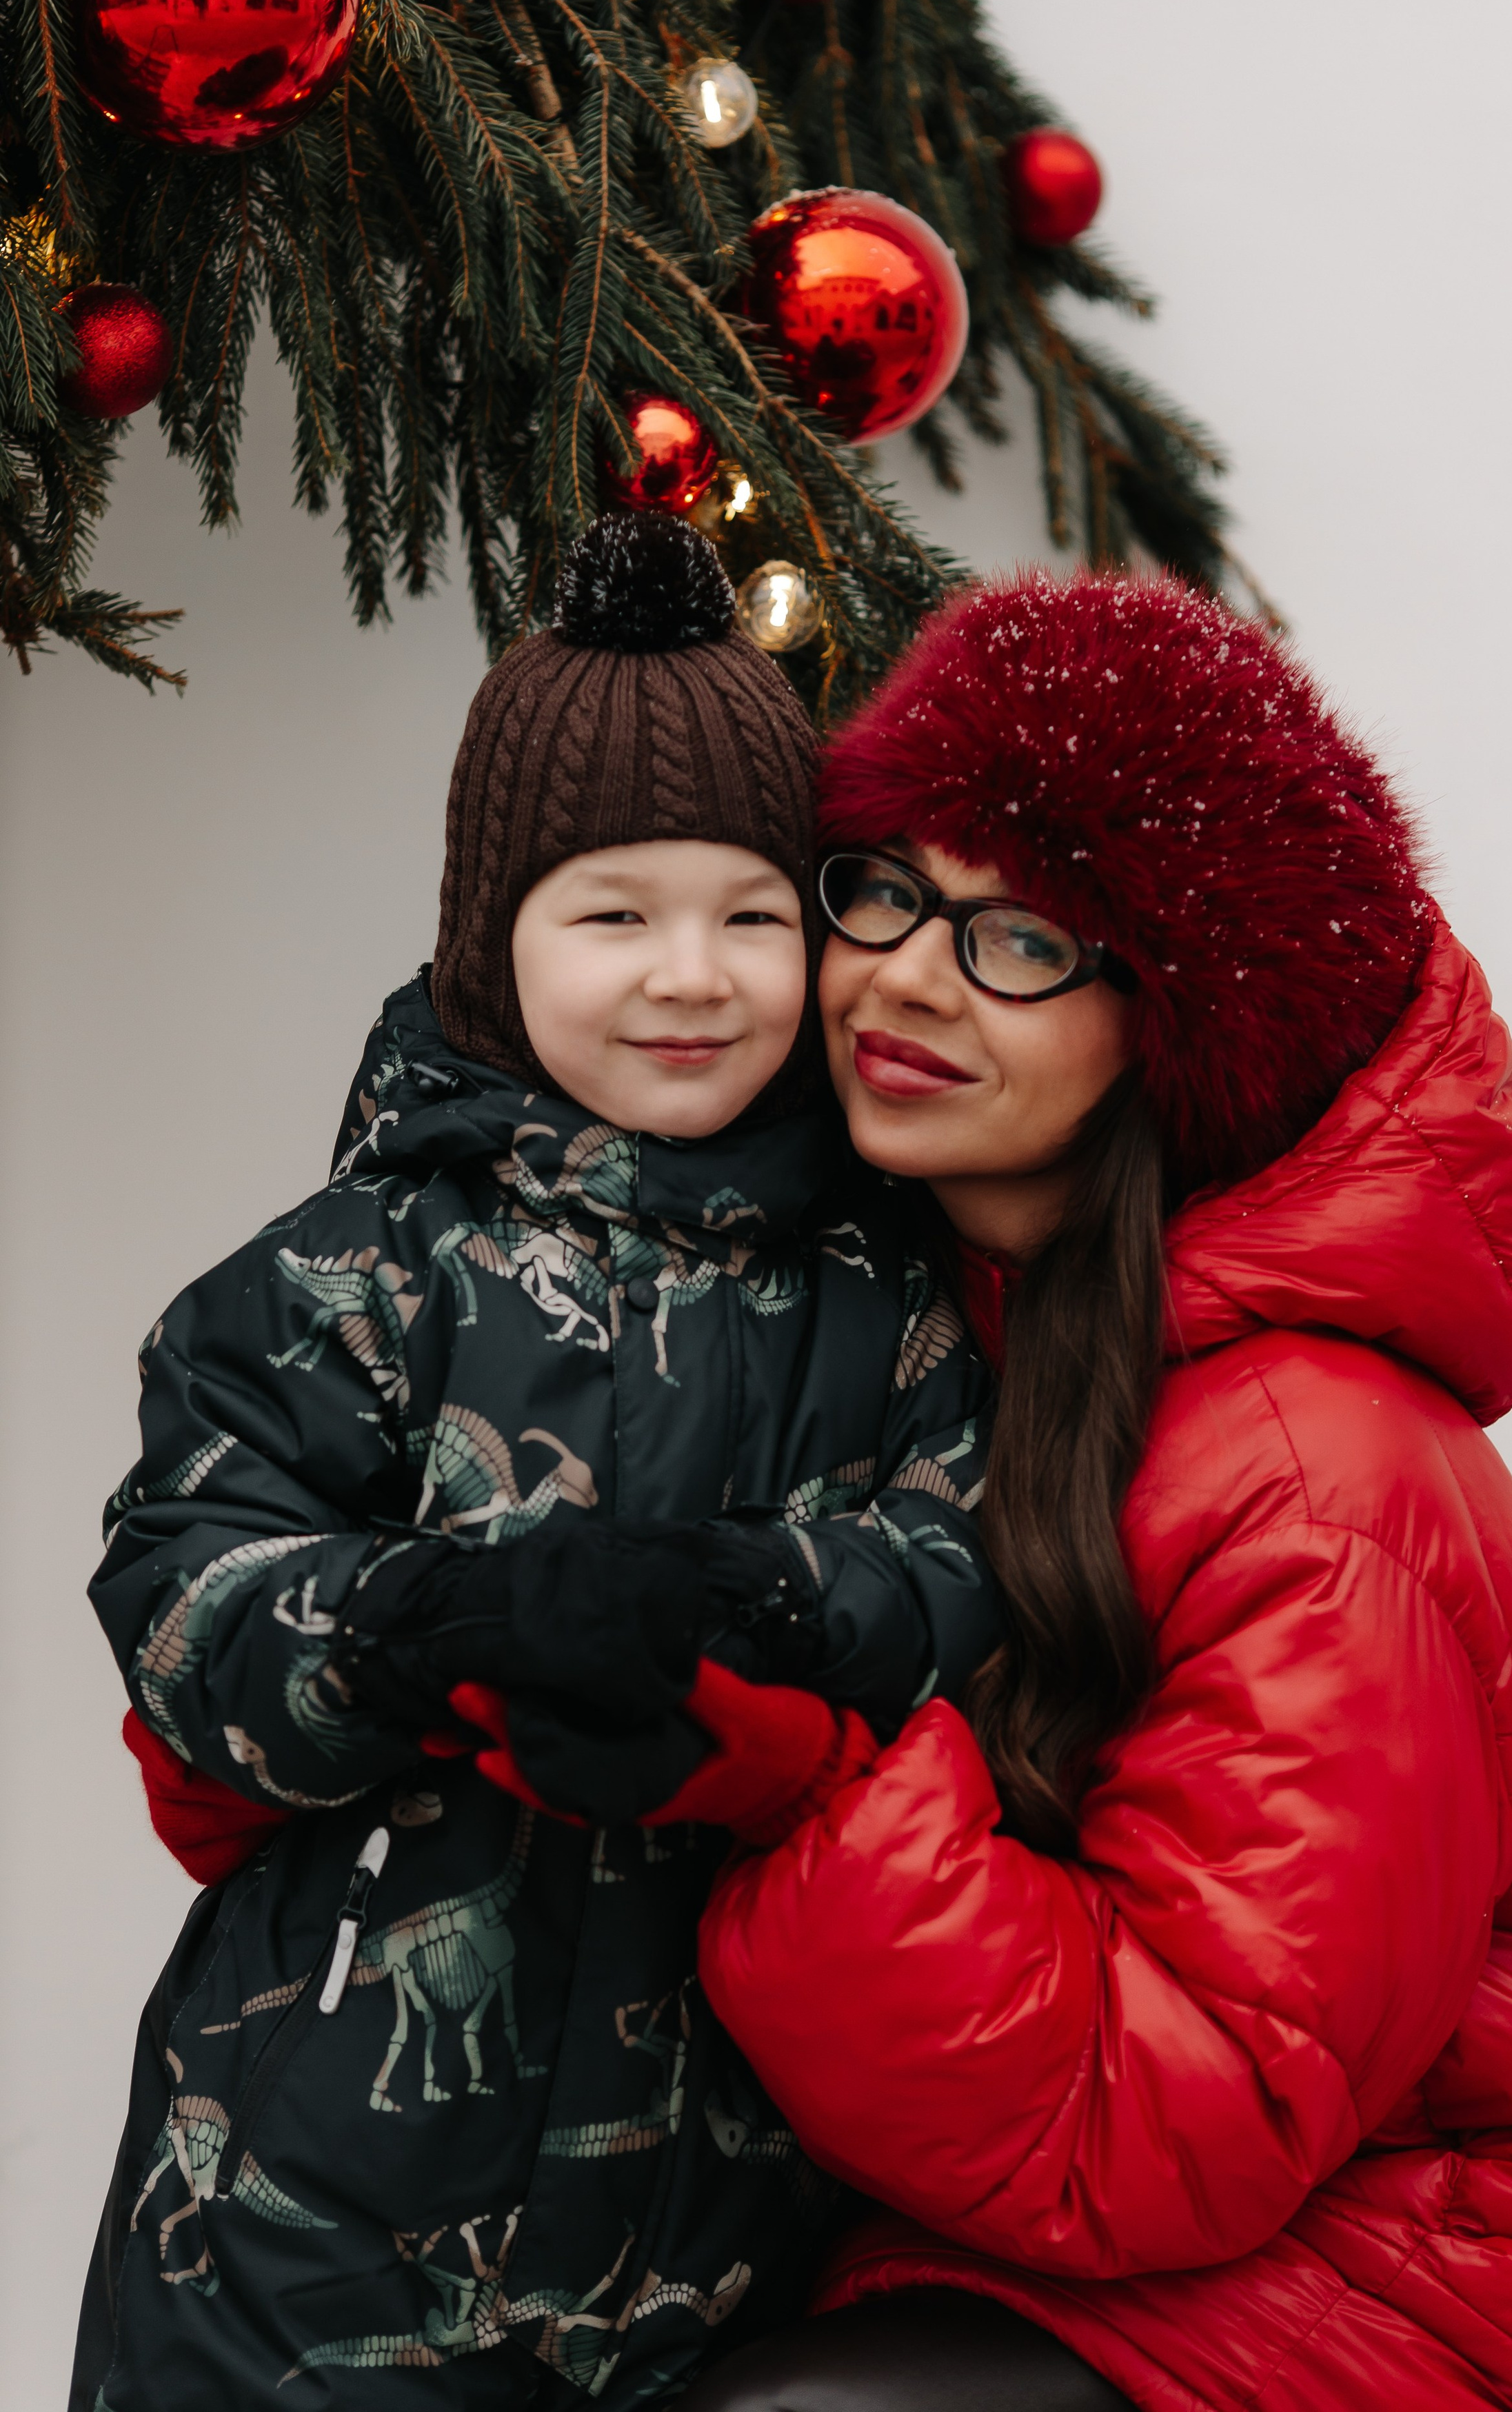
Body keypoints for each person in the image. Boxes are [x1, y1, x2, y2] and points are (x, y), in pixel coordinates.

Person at [687, 567, 1512, 2412]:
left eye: (1022, 938)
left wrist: (815, 1798)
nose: (911, 977)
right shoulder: (929, 1337)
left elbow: (1172, 2116)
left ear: (1171, 1025)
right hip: (1218, 2198)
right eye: (889, 891)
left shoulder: (1314, 1484)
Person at [73, 515, 999, 2412]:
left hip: (719, 2208)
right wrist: (419, 1618)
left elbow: (966, 1567)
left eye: (755, 915)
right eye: (612, 914)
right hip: (311, 2214)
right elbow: (187, 1601)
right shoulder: (350, 1272)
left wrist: (766, 1596)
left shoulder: (885, 1286)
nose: (695, 974)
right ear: (494, 942)